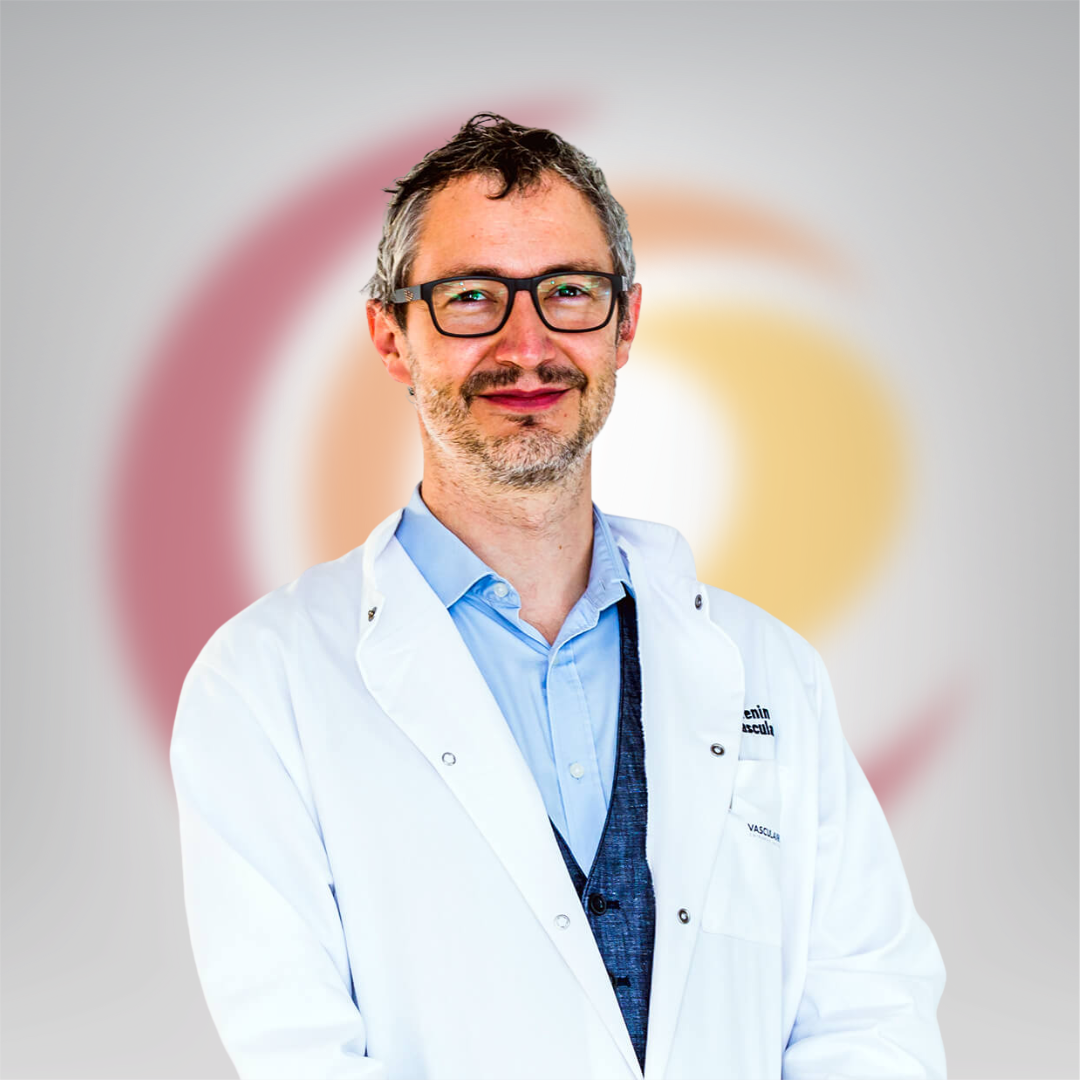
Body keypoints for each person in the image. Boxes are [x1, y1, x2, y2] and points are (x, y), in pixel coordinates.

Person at [171, 114, 946, 1080]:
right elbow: (302, 1054)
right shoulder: (264, 681)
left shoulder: (768, 670)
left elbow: (870, 1008)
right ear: (391, 336)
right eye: (470, 297)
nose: (527, 343)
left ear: (624, 326)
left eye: (569, 292)